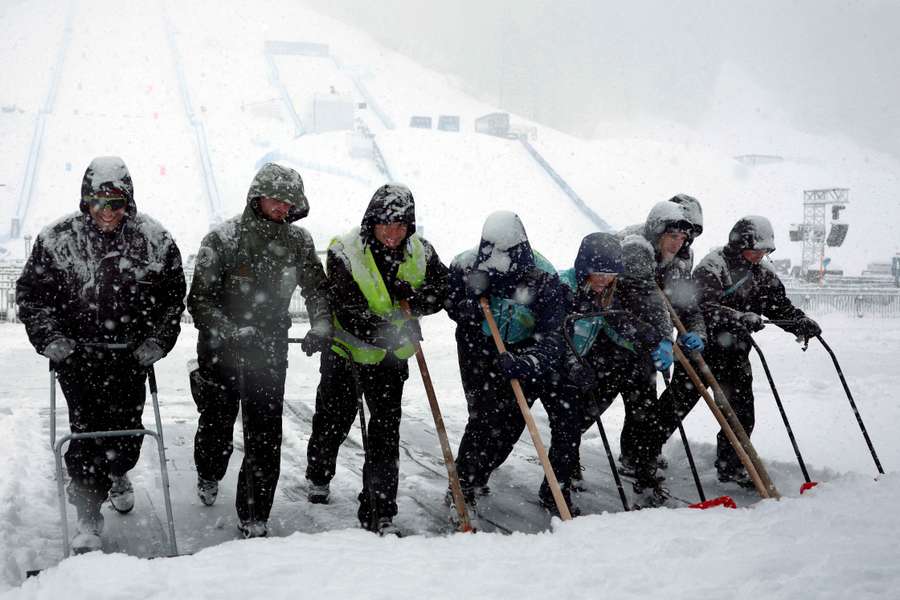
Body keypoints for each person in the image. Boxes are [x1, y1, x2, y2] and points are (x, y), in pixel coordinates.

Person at [16, 156, 186, 553]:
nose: (107, 212)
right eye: (98, 203)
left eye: (115, 203)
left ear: (128, 201)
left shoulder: (153, 239)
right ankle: (88, 513)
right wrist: (52, 338)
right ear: (85, 202)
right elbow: (32, 296)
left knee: (127, 433)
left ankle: (118, 471)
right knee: (86, 433)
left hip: (130, 357)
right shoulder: (58, 239)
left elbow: (172, 300)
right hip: (78, 357)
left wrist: (158, 340)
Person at [187, 163, 332, 539]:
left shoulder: (298, 242)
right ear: (257, 196)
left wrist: (320, 326)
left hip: (269, 351)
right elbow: (200, 300)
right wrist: (231, 330)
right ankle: (208, 470)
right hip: (221, 349)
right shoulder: (223, 239)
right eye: (276, 199)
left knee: (265, 432)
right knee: (218, 423)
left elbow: (318, 289)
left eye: (290, 201)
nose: (283, 207)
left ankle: (255, 512)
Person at [305, 183, 448, 535]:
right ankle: (319, 474)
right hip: (347, 354)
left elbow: (443, 290)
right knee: (332, 423)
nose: (393, 233)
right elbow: (348, 308)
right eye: (386, 224)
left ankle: (379, 508)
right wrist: (391, 330)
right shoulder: (345, 249)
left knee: (384, 435)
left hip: (390, 361)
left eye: (401, 226)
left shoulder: (422, 251)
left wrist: (414, 301)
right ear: (372, 221)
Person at [655, 215, 821, 487]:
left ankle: (730, 466)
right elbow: (701, 308)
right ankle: (645, 452)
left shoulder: (763, 273)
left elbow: (777, 306)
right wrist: (738, 317)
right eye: (754, 250)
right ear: (738, 244)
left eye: (763, 251)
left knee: (742, 411)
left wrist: (798, 322)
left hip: (735, 353)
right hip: (701, 349)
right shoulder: (714, 266)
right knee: (678, 404)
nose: (758, 256)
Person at [445, 210, 580, 516]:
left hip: (522, 348)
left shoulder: (543, 277)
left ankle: (482, 471)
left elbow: (553, 336)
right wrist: (467, 306)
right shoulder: (465, 265)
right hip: (478, 346)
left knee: (511, 422)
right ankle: (464, 486)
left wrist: (528, 363)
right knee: (481, 416)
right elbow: (449, 301)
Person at [614, 194, 707, 500]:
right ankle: (565, 465)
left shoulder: (681, 256)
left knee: (642, 401)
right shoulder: (635, 246)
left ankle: (640, 462)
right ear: (658, 231)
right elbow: (647, 297)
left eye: (685, 237)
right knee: (593, 404)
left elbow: (684, 301)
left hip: (645, 336)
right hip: (612, 328)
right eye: (674, 236)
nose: (679, 243)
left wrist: (695, 332)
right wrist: (666, 338)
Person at [557, 233, 667, 488]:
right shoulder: (564, 287)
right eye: (599, 272)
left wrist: (652, 336)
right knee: (570, 423)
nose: (605, 279)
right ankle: (558, 480)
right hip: (558, 365)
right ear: (584, 267)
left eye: (611, 274)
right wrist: (572, 364)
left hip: (580, 363)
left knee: (572, 425)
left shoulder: (606, 291)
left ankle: (561, 480)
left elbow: (618, 318)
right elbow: (553, 334)